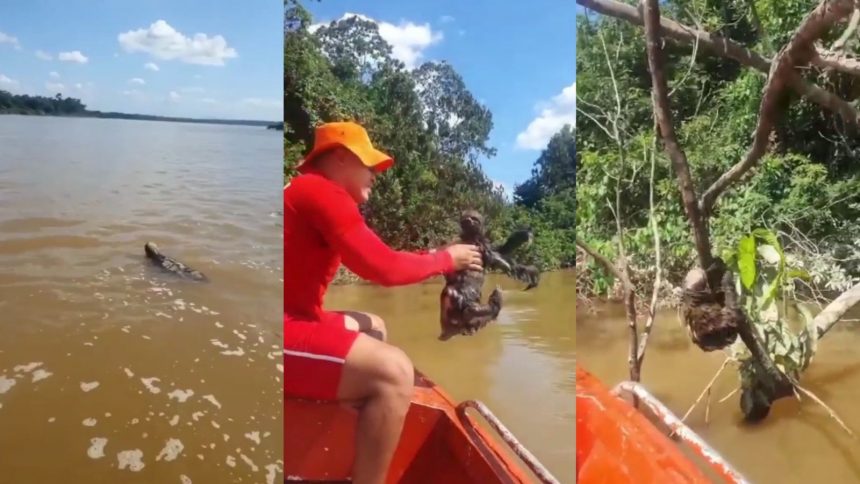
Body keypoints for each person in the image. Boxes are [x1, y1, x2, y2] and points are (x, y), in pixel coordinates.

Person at [283, 121, 482, 484]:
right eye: (368, 164)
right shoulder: (321, 193)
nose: (375, 174)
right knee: (395, 373)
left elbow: (381, 257)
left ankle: (344, 434)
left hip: (297, 316)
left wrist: (438, 257)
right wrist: (446, 259)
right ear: (341, 158)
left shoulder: (312, 191)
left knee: (374, 325)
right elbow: (384, 269)